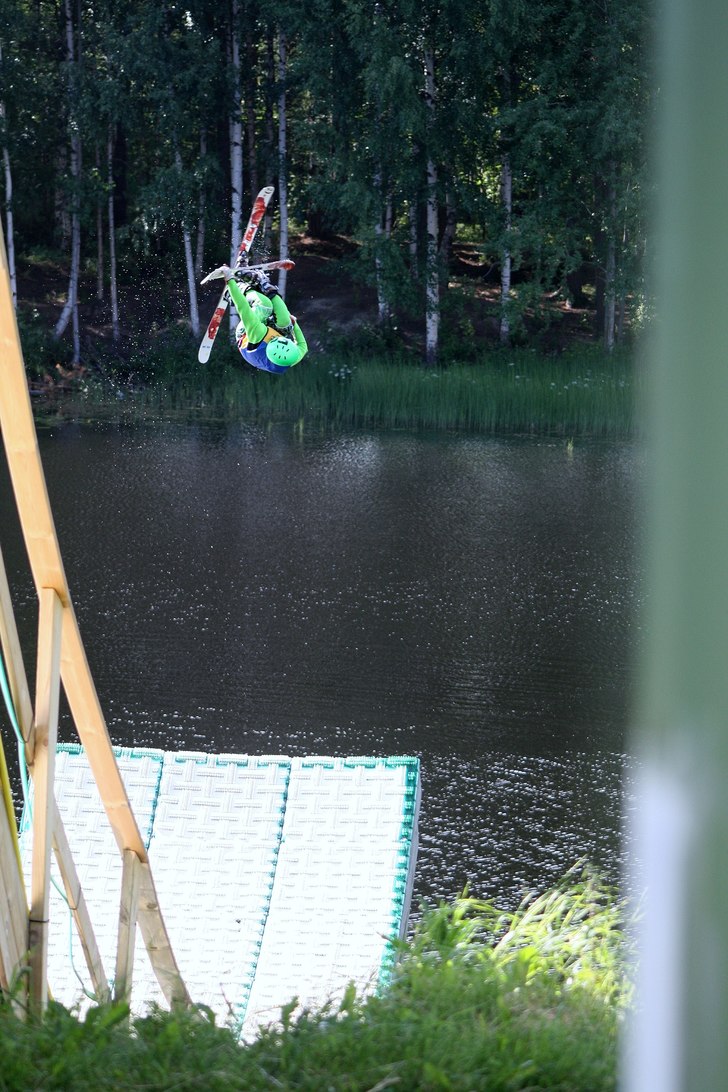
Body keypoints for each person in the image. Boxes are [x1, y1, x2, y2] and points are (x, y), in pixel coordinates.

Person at [217, 264, 308, 374]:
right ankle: (263, 284)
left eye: (274, 338)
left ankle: (241, 289)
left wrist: (230, 281)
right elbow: (303, 346)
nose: (275, 336)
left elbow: (243, 308)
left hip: (246, 335)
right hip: (266, 334)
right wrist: (295, 324)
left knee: (265, 305)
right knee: (286, 321)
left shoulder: (257, 334)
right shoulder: (292, 356)